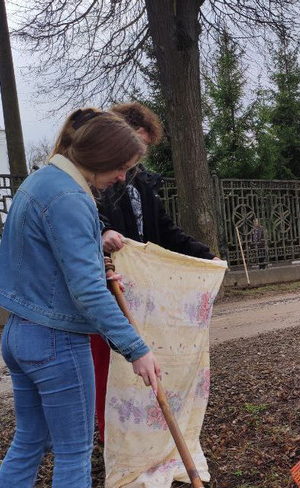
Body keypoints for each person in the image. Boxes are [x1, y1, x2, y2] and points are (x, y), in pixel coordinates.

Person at [0, 107, 162, 488]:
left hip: (19, 334)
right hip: (55, 342)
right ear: (100, 158)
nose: (123, 178)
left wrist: (95, 268)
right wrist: (136, 348)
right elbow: (85, 291)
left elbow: (49, 264)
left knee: (28, 444)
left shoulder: (41, 182)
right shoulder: (71, 197)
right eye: (121, 168)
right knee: (73, 455)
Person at [91, 101, 217, 443]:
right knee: (109, 361)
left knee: (145, 359)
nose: (136, 155)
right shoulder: (96, 181)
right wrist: (102, 232)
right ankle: (112, 437)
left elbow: (162, 228)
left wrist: (202, 255)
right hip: (108, 286)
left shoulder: (143, 182)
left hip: (143, 288)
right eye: (134, 143)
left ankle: (143, 430)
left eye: (143, 147)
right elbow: (86, 216)